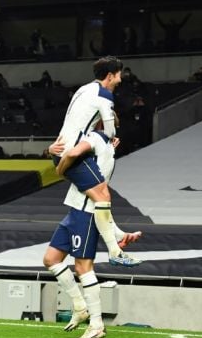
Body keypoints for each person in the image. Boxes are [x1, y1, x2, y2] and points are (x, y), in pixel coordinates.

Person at [45, 130, 141, 338]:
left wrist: (57, 164)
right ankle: (80, 307)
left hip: (86, 214)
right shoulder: (104, 146)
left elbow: (70, 156)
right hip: (74, 209)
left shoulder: (95, 138)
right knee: (51, 259)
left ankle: (96, 324)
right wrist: (50, 149)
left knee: (83, 268)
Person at [49, 56, 140, 267]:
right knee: (102, 195)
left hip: (63, 147)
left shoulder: (83, 90)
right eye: (118, 75)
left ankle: (117, 239)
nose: (119, 80)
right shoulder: (104, 96)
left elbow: (73, 121)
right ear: (110, 75)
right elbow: (109, 130)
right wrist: (60, 170)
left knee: (100, 197)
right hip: (73, 153)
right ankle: (115, 250)